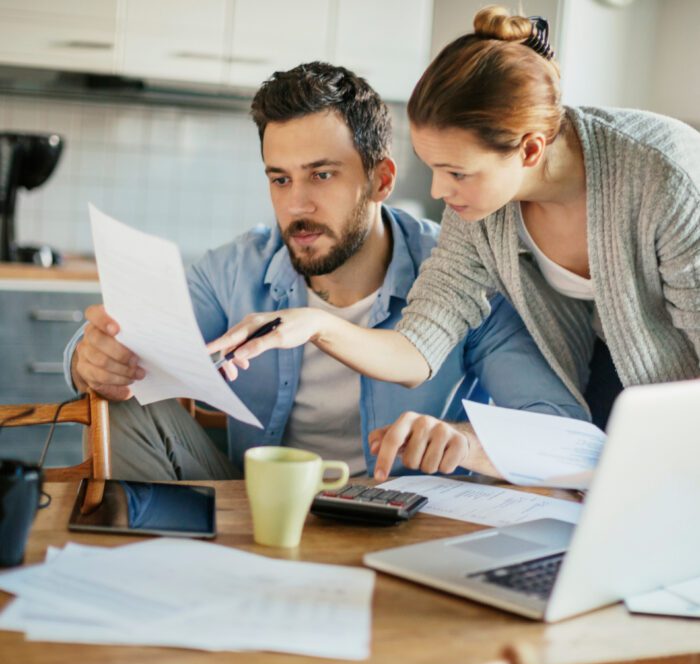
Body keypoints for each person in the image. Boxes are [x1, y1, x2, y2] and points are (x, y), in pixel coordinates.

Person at [210, 9, 700, 479]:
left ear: (529, 149)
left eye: (455, 172)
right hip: (607, 384)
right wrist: (318, 325)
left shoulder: (666, 177)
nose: (438, 192)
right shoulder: (481, 209)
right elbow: (417, 348)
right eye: (434, 168)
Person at [65, 61, 585, 482]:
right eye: (280, 179)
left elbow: (560, 431)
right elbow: (130, 349)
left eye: (322, 174)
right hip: (257, 505)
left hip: (403, 518)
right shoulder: (233, 269)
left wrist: (465, 440)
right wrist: (90, 359)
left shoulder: (463, 276)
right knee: (121, 403)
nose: (297, 205)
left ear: (381, 180)